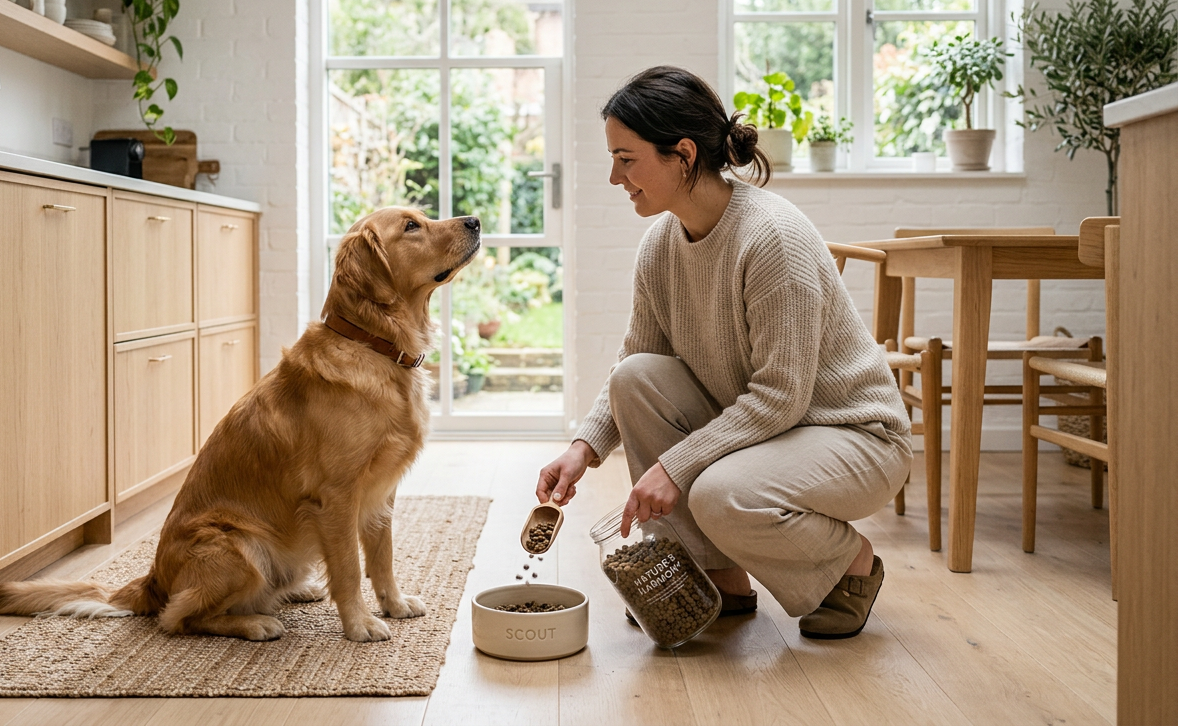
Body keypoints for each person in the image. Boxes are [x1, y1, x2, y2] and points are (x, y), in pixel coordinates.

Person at [536, 66, 912, 639]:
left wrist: (675, 467)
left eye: (626, 158)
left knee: (718, 493)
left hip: (854, 434)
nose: (614, 176)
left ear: (682, 154)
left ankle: (850, 565)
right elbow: (635, 360)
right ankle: (715, 578)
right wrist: (581, 450)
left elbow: (781, 398)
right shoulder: (661, 244)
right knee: (636, 377)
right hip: (773, 432)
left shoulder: (771, 238)